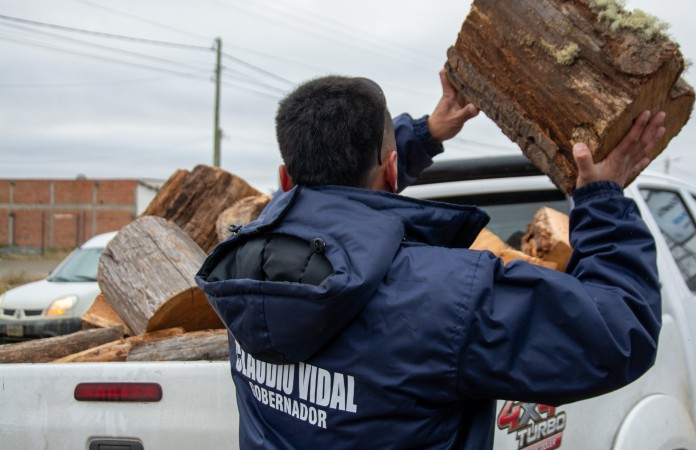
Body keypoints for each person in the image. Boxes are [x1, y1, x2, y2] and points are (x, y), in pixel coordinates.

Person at [196, 69, 665, 449]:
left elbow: (336, 206)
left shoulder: (244, 267)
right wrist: (603, 200)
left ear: (284, 177)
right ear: (392, 168)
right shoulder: (449, 297)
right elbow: (621, 331)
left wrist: (423, 134)